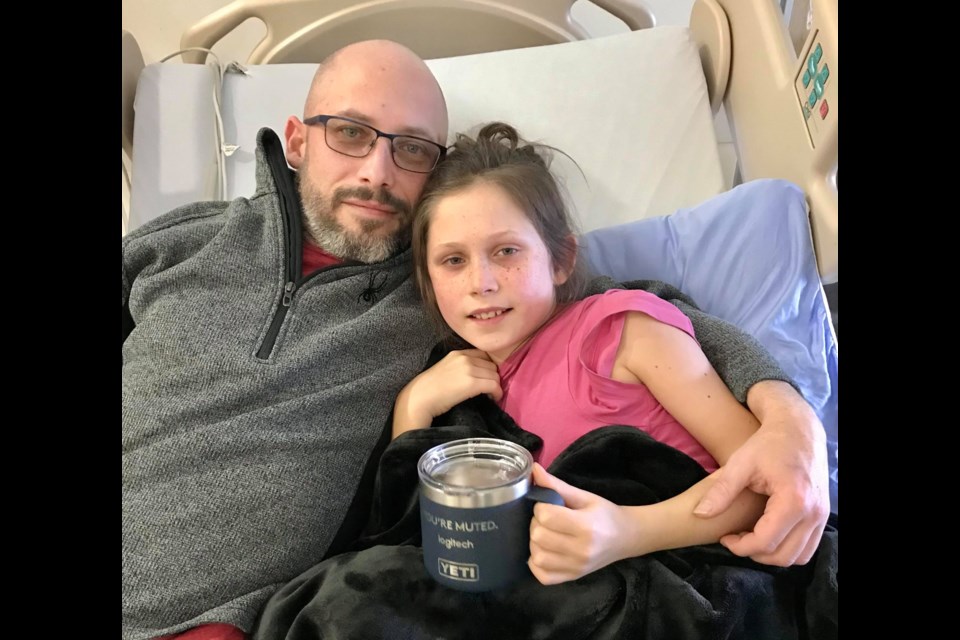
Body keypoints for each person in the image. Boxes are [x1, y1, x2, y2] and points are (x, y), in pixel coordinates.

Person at [122, 40, 828, 640]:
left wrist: (791, 415)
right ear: (300, 140)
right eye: (350, 133)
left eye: (411, 149)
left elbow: (651, 315)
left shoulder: (442, 284)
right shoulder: (182, 241)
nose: (376, 171)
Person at [394, 122, 777, 583]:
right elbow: (413, 530)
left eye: (507, 251)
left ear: (561, 261)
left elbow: (762, 480)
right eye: (454, 260)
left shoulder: (619, 330)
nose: (482, 283)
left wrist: (627, 532)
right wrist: (413, 403)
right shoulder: (454, 387)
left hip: (687, 581)